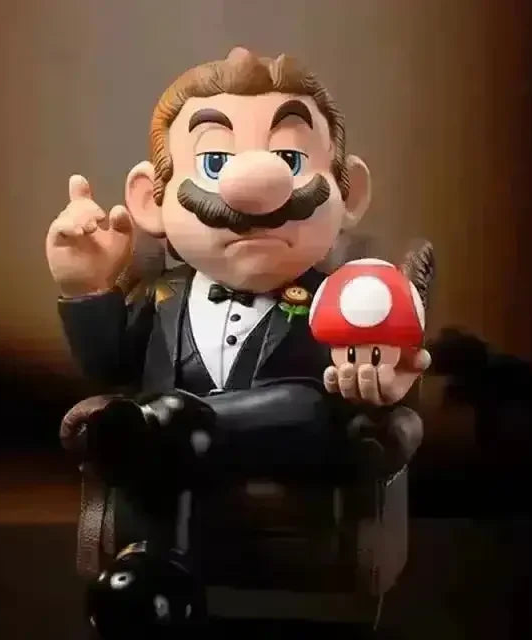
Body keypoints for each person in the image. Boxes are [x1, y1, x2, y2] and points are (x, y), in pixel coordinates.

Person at [46, 47, 431, 629]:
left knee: (248, 412)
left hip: (294, 438)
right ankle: (157, 578)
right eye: (215, 160)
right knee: (161, 435)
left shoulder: (347, 296)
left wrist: (385, 383)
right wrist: (86, 286)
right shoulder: (160, 296)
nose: (254, 186)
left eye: (290, 158)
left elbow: (380, 365)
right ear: (152, 201)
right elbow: (107, 366)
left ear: (347, 193)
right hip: (170, 449)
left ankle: (167, 426)